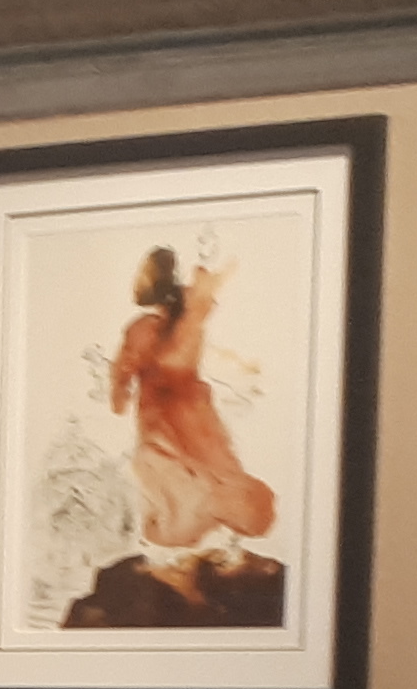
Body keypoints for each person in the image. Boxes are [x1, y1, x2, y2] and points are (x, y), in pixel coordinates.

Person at [73, 249, 283, 629]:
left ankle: (189, 543)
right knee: (198, 470)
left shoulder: (150, 327)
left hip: (170, 412)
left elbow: (130, 369)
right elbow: (154, 363)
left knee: (174, 471)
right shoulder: (181, 320)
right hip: (188, 410)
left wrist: (120, 395)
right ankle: (196, 541)